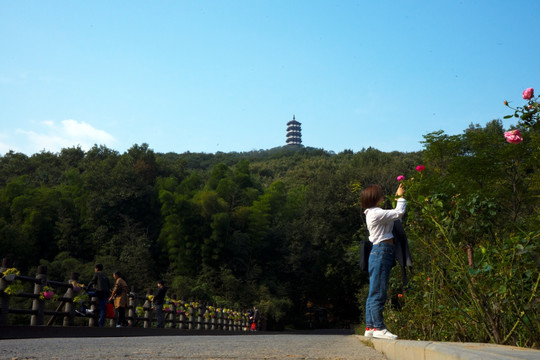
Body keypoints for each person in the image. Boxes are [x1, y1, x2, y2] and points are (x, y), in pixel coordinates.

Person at [361, 183, 406, 340]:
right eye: (380, 193)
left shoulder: (374, 213)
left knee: (374, 290)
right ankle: (379, 327)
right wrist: (401, 197)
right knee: (378, 291)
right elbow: (399, 213)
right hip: (382, 252)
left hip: (379, 252)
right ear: (375, 197)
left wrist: (396, 198)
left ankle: (370, 327)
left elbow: (392, 214)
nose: (382, 195)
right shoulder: (375, 213)